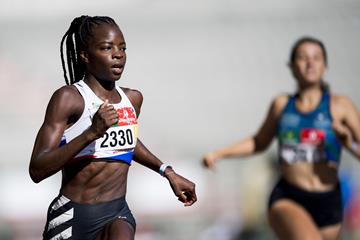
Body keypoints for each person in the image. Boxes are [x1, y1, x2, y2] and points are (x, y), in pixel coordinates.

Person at [29, 15, 197, 240]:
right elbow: (37, 169)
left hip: (116, 212)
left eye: (123, 48)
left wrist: (167, 172)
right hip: (74, 215)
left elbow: (128, 142)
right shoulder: (69, 99)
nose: (118, 54)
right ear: (85, 56)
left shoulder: (133, 99)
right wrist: (91, 133)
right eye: (107, 48)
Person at [203, 36, 360, 240]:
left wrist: (348, 144)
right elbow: (259, 141)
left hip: (329, 202)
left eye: (316, 58)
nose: (310, 63)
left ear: (325, 67)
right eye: (303, 58)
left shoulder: (341, 106)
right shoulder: (282, 105)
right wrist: (220, 153)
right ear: (293, 67)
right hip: (289, 197)